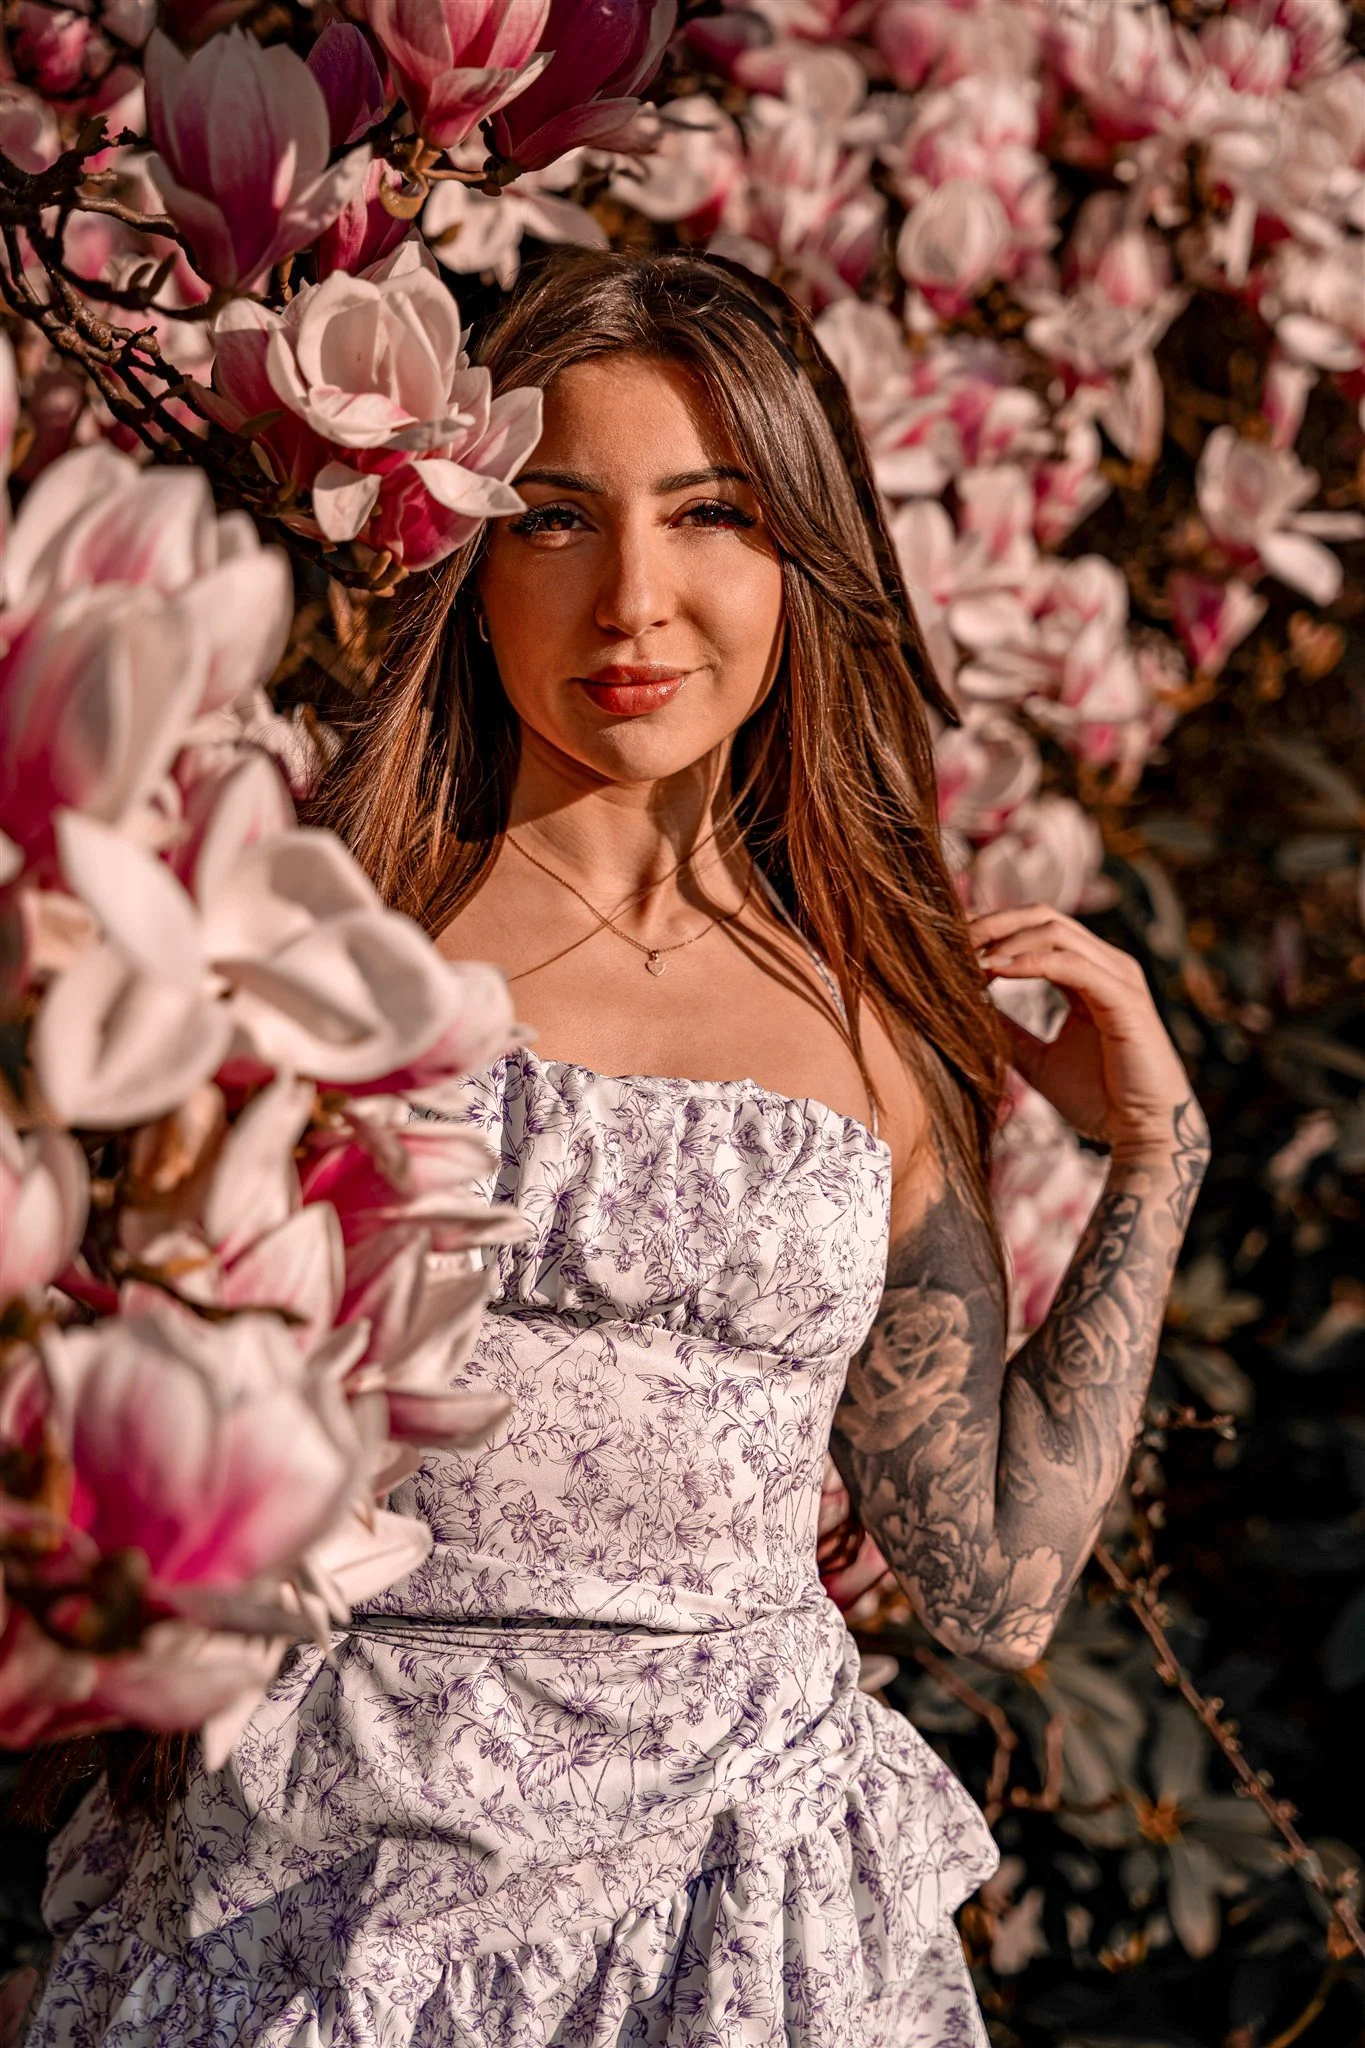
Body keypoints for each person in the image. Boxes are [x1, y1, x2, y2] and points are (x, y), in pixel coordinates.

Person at [28, 252, 1209, 2048]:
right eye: (558, 519)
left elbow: (988, 1577)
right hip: (332, 1897)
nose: (634, 602)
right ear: (472, 555)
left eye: (711, 514)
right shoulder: (310, 941)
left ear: (799, 555)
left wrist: (1155, 1156)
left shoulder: (880, 1014)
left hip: (745, 1921)